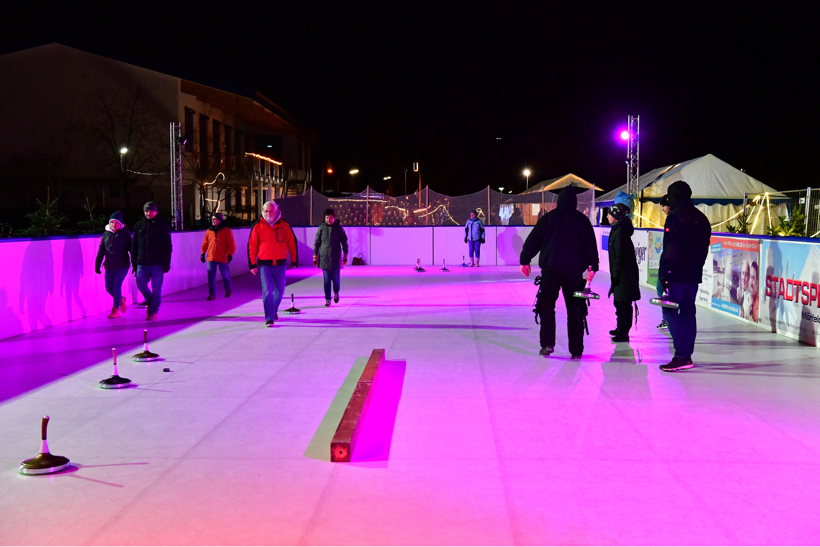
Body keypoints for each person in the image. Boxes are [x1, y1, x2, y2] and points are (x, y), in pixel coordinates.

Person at [520, 187, 599, 358]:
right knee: (576, 309)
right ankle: (576, 350)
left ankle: (547, 344)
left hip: (551, 270)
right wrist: (592, 266)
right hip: (574, 272)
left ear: (559, 200)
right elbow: (590, 246)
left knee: (547, 306)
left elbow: (533, 240)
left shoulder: (548, 218)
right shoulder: (582, 220)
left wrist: (525, 260)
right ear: (575, 201)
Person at [657, 180, 712, 371]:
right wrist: (697, 267)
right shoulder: (702, 218)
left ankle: (682, 355)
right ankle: (685, 355)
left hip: (677, 275)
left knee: (669, 310)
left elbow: (671, 248)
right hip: (693, 274)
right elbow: (704, 248)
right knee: (688, 312)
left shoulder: (675, 217)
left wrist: (665, 273)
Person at [248, 200, 298, 327]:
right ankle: (269, 317)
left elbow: (292, 242)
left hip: (280, 264)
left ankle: (273, 309)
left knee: (279, 292)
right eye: (265, 211)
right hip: (264, 264)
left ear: (276, 211)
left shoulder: (284, 225)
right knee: (267, 291)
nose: (268, 213)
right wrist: (252, 264)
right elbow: (251, 246)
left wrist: (294, 260)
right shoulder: (257, 226)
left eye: (270, 211)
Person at [605, 203, 641, 342]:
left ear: (616, 215)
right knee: (620, 302)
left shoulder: (620, 232)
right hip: (623, 274)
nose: (607, 216)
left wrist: (616, 274)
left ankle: (624, 331)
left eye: (609, 214)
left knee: (623, 303)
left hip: (625, 275)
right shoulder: (618, 229)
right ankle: (621, 327)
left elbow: (620, 255)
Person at [131, 201, 172, 321]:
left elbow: (167, 246)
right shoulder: (138, 226)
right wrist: (134, 262)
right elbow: (134, 245)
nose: (149, 213)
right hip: (142, 262)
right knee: (141, 285)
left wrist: (166, 262)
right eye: (147, 210)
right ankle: (151, 301)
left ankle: (153, 311)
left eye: (151, 210)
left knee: (156, 287)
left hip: (157, 263)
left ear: (156, 212)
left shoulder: (162, 226)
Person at [94, 211, 132, 319]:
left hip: (122, 264)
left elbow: (132, 249)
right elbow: (101, 250)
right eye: (112, 222)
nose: (113, 225)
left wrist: (135, 261)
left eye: (116, 223)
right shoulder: (106, 234)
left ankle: (115, 310)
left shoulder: (125, 234)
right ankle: (120, 299)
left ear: (120, 224)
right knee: (108, 288)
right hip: (110, 265)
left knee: (116, 286)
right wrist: (97, 264)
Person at [313, 208, 349, 307]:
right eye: (326, 218)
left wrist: (345, 256)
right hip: (324, 258)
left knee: (336, 279)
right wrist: (315, 256)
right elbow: (317, 243)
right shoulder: (321, 228)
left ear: (334, 218)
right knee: (327, 280)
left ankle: (336, 292)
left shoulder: (339, 228)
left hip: (336, 258)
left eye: (330, 218)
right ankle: (327, 299)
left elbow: (344, 242)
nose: (328, 220)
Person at [200, 212, 236, 301]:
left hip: (222, 257)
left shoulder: (227, 231)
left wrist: (230, 254)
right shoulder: (209, 231)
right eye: (212, 219)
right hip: (211, 257)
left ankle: (228, 288)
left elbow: (231, 243)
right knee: (211, 276)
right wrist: (202, 253)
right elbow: (205, 243)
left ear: (219, 220)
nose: (213, 220)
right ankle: (212, 294)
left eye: (215, 219)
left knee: (225, 275)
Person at [656, 193, 671, 331]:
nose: (662, 209)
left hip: (669, 266)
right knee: (661, 290)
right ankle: (667, 319)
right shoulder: (671, 220)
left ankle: (668, 320)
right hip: (667, 264)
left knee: (663, 291)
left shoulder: (673, 220)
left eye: (663, 206)